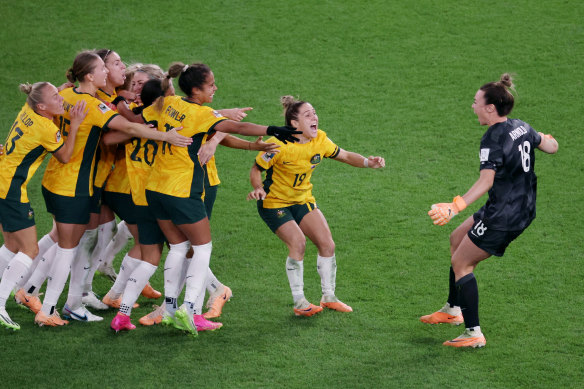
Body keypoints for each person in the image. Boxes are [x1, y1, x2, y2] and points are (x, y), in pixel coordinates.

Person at [127, 62, 300, 336]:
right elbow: (234, 126)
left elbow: (219, 131)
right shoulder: (200, 113)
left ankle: (171, 309)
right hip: (182, 191)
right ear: (196, 89)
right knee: (202, 248)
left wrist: (253, 144)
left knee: (178, 248)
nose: (216, 88)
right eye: (211, 85)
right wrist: (271, 128)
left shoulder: (167, 103)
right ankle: (190, 310)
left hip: (155, 188)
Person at [33, 50, 191, 327]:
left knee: (71, 242)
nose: (109, 72)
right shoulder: (93, 106)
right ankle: (56, 308)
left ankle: (58, 299)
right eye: (104, 69)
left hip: (54, 180)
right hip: (76, 186)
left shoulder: (65, 97)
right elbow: (132, 128)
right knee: (68, 249)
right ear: (90, 75)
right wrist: (165, 134)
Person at [421, 74, 559, 348]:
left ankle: (473, 333)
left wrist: (455, 206)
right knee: (456, 240)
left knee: (462, 263)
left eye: (475, 102)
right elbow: (551, 147)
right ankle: (452, 310)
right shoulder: (521, 126)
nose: (472, 107)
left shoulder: (492, 139)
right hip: (516, 207)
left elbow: (486, 181)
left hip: (504, 215)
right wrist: (540, 138)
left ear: (490, 108)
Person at [247, 96, 385, 317]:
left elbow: (346, 155)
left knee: (327, 244)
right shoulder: (279, 144)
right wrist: (258, 188)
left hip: (302, 200)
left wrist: (369, 162)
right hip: (274, 203)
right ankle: (299, 301)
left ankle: (329, 297)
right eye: (308, 114)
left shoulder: (319, 140)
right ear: (294, 123)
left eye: (315, 113)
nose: (315, 117)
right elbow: (256, 169)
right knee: (298, 243)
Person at [0, 82, 87, 330]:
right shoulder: (46, 129)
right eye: (55, 97)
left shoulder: (27, 111)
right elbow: (65, 156)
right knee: (29, 250)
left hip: (2, 181)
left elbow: (39, 98)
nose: (61, 99)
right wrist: (77, 123)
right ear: (41, 106)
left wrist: (56, 89)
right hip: (11, 190)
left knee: (10, 245)